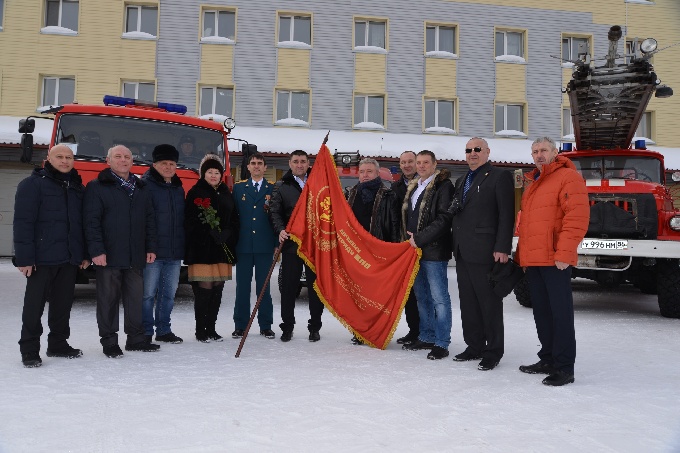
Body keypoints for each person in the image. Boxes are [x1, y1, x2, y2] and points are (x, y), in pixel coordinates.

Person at [515, 137, 590, 386]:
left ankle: (564, 367)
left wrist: (564, 253)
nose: (539, 155)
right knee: (542, 314)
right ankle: (547, 358)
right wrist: (523, 257)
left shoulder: (568, 177)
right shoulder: (535, 181)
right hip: (535, 260)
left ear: (555, 152)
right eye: (535, 151)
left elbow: (577, 217)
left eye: (543, 150)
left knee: (560, 315)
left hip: (554, 259)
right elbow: (528, 224)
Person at [14, 145, 89, 368]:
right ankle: (29, 349)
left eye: (69, 157)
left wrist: (83, 253)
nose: (64, 161)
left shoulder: (77, 187)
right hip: (41, 258)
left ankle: (57, 344)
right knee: (34, 306)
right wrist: (25, 258)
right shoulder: (32, 185)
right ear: (48, 158)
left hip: (67, 258)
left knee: (62, 305)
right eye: (60, 157)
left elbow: (80, 225)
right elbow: (23, 223)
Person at [84, 145, 159, 358]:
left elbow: (150, 220)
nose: (123, 160)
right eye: (118, 156)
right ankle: (109, 341)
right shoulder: (97, 186)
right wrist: (96, 250)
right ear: (108, 160)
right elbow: (91, 222)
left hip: (135, 255)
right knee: (108, 300)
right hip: (108, 255)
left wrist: (151, 247)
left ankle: (135, 339)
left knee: (135, 299)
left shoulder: (142, 187)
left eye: (127, 157)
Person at [450, 137, 515, 371]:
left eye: (477, 149)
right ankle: (474, 345)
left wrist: (502, 247)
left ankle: (493, 351)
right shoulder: (462, 180)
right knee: (468, 303)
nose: (473, 154)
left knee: (489, 303)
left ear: (487, 152)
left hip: (487, 251)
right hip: (463, 251)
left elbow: (506, 215)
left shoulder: (499, 176)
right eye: (468, 150)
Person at [402, 150, 454, 360]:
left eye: (426, 163)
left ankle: (442, 342)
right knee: (422, 297)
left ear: (434, 165)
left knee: (439, 299)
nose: (421, 166)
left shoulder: (444, 186)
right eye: (419, 162)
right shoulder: (415, 186)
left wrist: (420, 238)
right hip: (415, 251)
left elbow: (444, 219)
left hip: (434, 250)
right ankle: (427, 336)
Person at [269, 149, 325, 342]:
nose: (299, 164)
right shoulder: (281, 186)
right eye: (296, 161)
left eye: (303, 161)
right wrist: (280, 230)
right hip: (292, 244)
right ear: (290, 163)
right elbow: (274, 212)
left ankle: (315, 327)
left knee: (315, 288)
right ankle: (287, 327)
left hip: (315, 244)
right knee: (289, 287)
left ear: (308, 163)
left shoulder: (317, 183)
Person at [184, 154, 239, 343]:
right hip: (202, 250)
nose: (214, 175)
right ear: (203, 174)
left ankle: (212, 328)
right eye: (210, 172)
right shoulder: (195, 192)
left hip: (222, 249)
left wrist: (227, 232)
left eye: (217, 172)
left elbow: (234, 218)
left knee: (218, 289)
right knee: (204, 290)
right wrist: (207, 231)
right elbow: (189, 220)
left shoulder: (226, 193)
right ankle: (201, 330)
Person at [346, 157, 401, 344]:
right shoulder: (351, 194)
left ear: (378, 174)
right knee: (357, 296)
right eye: (362, 172)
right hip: (355, 253)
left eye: (369, 171)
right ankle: (359, 331)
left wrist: (393, 254)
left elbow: (394, 227)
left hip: (378, 254)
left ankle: (375, 331)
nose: (365, 175)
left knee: (375, 295)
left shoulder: (388, 195)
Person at [141, 144, 186, 344]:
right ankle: (145, 331)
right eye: (164, 163)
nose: (168, 167)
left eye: (172, 163)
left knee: (168, 294)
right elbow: (144, 220)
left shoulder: (178, 188)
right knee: (148, 294)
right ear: (155, 164)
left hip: (174, 252)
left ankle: (164, 330)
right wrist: (148, 247)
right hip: (153, 252)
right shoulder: (145, 186)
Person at [231, 152, 278, 340]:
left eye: (260, 163)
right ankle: (240, 325)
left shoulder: (273, 189)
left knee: (264, 287)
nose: (256, 166)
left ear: (265, 168)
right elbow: (233, 217)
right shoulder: (238, 188)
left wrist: (275, 243)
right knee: (242, 287)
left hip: (264, 246)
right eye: (253, 163)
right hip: (243, 246)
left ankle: (265, 325)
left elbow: (276, 218)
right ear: (248, 167)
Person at [390, 150, 420, 345]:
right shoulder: (395, 187)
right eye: (403, 162)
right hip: (402, 247)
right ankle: (414, 330)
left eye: (410, 161)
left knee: (423, 293)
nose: (407, 165)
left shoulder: (426, 184)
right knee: (408, 293)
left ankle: (426, 332)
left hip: (422, 244)